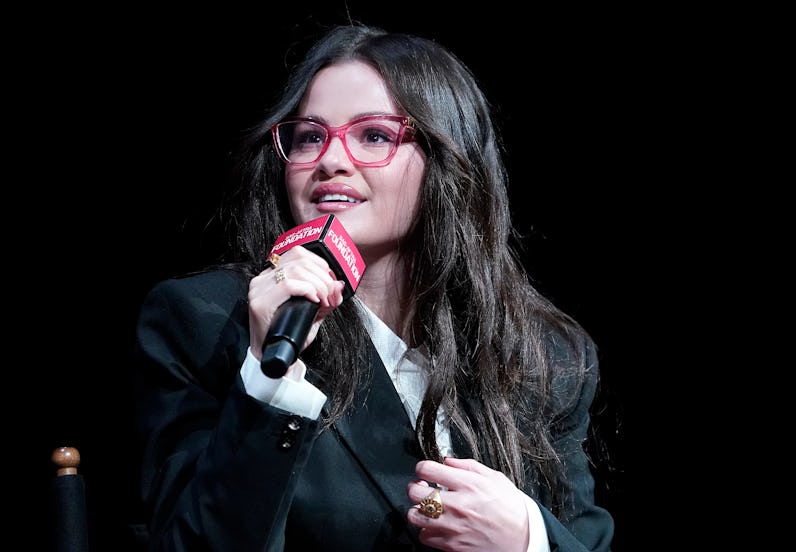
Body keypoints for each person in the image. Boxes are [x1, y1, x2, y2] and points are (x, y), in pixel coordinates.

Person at [133, 22, 615, 551]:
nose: (331, 161)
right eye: (310, 136)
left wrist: (527, 539)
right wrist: (271, 383)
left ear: (448, 158)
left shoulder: (544, 353)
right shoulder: (207, 320)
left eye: (375, 136)